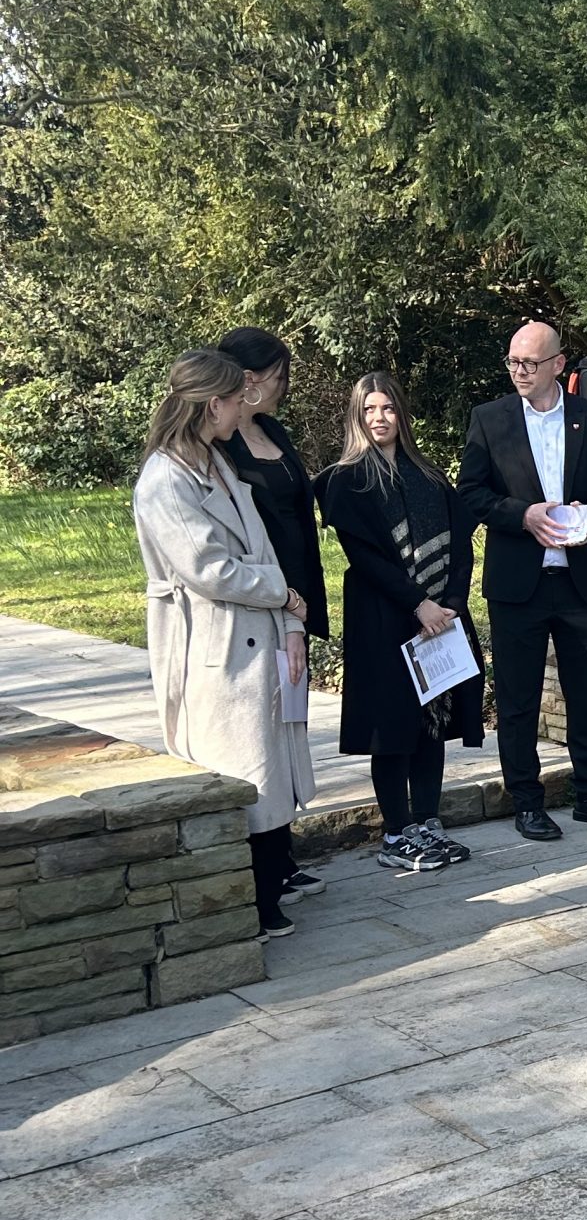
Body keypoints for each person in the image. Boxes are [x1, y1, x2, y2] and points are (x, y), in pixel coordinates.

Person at [132, 348, 316, 941]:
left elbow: (259, 546)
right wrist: (282, 594)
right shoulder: (165, 479)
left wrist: (289, 615)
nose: (244, 408)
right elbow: (209, 570)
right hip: (213, 640)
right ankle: (250, 901)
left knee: (267, 761)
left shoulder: (214, 461)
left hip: (255, 631)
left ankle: (270, 884)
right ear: (213, 405)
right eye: (237, 399)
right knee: (238, 763)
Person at [456, 319, 587, 840]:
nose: (519, 371)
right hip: (519, 584)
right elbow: (471, 492)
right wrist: (523, 515)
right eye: (513, 361)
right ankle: (526, 802)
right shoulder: (489, 419)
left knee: (586, 694)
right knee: (518, 700)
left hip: (581, 581)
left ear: (558, 364)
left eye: (530, 363)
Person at [323, 373, 485, 875]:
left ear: (402, 414)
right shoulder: (345, 481)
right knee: (392, 726)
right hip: (384, 617)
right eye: (369, 409)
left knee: (431, 724)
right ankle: (396, 832)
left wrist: (450, 602)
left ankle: (427, 823)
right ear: (357, 415)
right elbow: (366, 558)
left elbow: (461, 545)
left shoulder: (429, 476)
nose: (379, 418)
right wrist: (419, 604)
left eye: (388, 408)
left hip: (440, 620)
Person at [216, 325, 329, 902]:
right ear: (250, 379)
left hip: (296, 590)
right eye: (280, 376)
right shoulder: (219, 448)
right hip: (262, 598)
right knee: (263, 727)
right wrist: (279, 599)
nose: (284, 387)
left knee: (291, 723)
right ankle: (265, 861)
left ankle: (283, 856)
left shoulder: (273, 430)